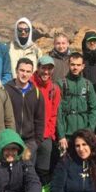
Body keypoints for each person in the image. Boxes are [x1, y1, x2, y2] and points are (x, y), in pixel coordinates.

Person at [57, 52, 96, 155]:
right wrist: (61, 135)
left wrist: (90, 130)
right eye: (72, 64)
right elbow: (58, 111)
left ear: (83, 66)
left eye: (78, 65)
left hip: (84, 133)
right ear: (68, 64)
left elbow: (94, 108)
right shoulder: (61, 84)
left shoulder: (88, 84)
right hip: (67, 134)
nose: (75, 67)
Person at [5, 58, 45, 162]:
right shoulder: (6, 90)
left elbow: (39, 120)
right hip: (10, 140)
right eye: (22, 70)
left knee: (28, 174)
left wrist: (37, 142)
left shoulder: (36, 93)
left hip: (30, 142)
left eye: (28, 71)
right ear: (16, 70)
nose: (24, 74)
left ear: (32, 73)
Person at [31, 55, 61, 183]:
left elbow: (54, 114)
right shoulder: (29, 84)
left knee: (44, 171)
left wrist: (50, 133)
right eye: (43, 68)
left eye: (49, 69)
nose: (46, 72)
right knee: (29, 170)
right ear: (38, 68)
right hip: (30, 136)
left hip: (46, 136)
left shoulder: (54, 89)